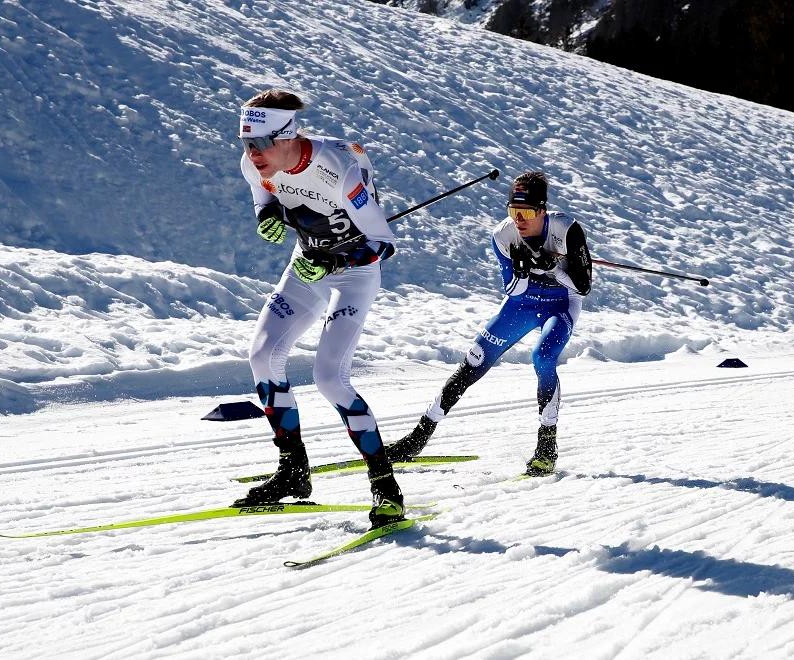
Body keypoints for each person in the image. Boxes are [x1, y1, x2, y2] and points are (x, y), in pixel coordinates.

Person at [234, 88, 404, 529]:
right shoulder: (256, 164)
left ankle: (386, 488)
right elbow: (264, 196)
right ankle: (293, 472)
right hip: (306, 263)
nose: (253, 155)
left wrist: (333, 260)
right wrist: (266, 215)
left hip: (353, 274)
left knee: (329, 378)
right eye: (246, 144)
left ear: (289, 135)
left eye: (262, 144)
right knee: (262, 356)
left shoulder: (340, 171)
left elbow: (383, 246)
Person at [386, 171, 593, 475]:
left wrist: (553, 268)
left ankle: (547, 447)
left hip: (561, 303)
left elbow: (583, 286)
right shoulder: (503, 235)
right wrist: (523, 270)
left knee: (543, 357)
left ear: (542, 211)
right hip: (522, 303)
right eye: (513, 211)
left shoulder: (566, 228)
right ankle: (417, 439)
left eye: (525, 212)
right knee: (474, 361)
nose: (518, 220)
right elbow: (512, 289)